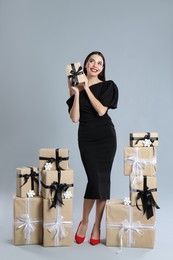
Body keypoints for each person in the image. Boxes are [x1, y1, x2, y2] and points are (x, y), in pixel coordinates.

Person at [66, 51, 118, 245]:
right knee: (93, 180)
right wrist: (78, 92)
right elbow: (75, 118)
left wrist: (87, 89)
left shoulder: (108, 86)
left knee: (102, 181)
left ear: (102, 69)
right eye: (92, 62)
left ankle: (96, 225)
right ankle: (85, 221)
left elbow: (101, 110)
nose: (95, 65)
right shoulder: (74, 86)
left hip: (106, 137)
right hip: (87, 138)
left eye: (100, 63)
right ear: (85, 65)